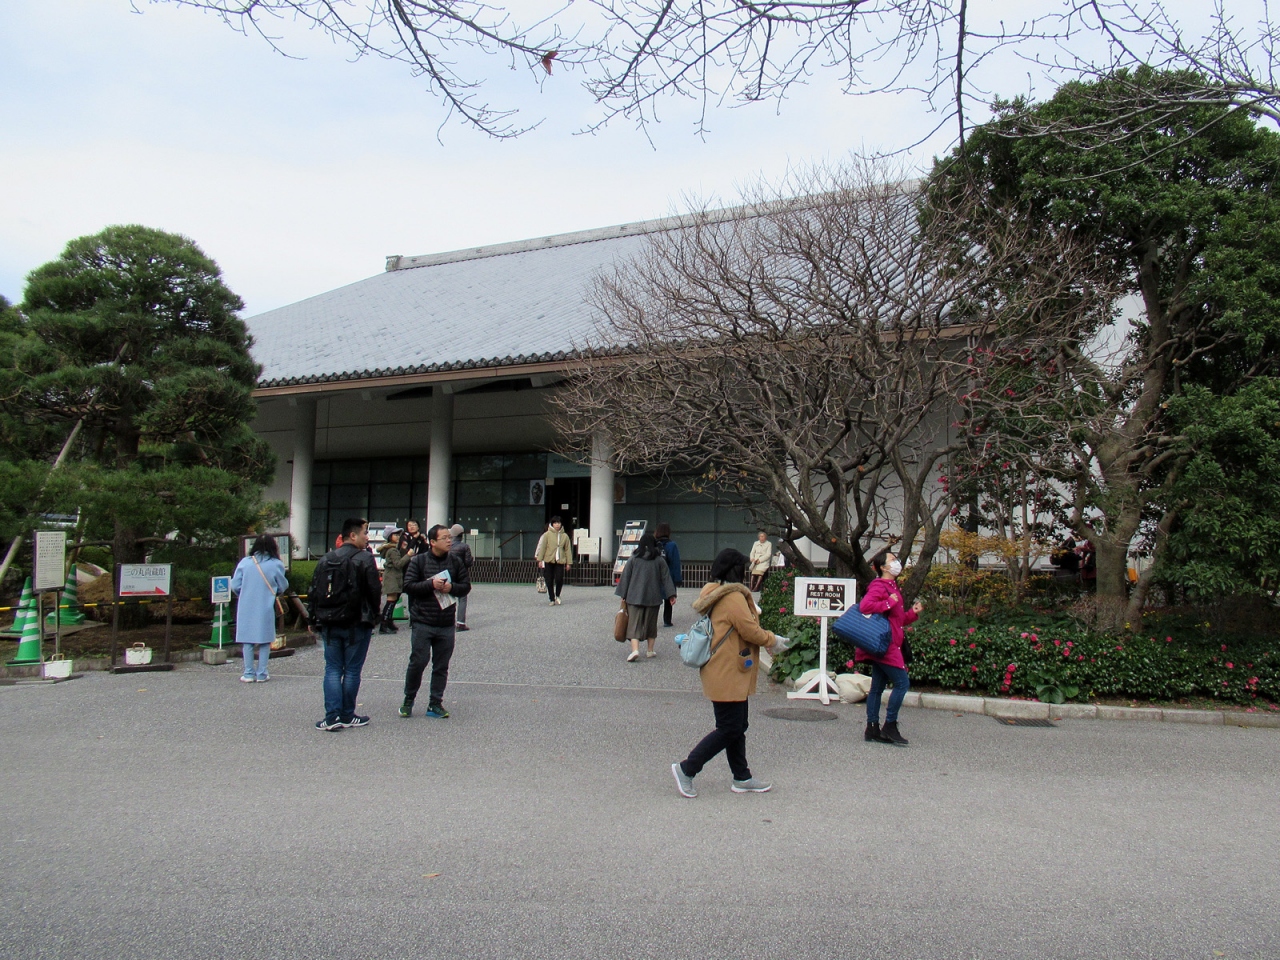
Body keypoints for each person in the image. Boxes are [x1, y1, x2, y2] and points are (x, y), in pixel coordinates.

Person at [672, 548, 787, 798]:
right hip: (727, 671)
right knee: (729, 727)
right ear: (736, 570)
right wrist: (773, 640)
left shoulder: (715, 592)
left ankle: (742, 777)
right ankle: (687, 769)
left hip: (723, 669)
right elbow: (750, 630)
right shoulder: (733, 597)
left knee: (737, 725)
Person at [308, 518, 383, 731]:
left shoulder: (327, 558)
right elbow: (374, 590)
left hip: (329, 621)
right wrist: (374, 616)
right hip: (357, 622)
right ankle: (347, 714)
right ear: (353, 535)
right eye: (365, 533)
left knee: (332, 668)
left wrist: (313, 618)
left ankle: (331, 717)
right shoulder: (365, 558)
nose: (367, 537)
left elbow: (314, 590)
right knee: (352, 670)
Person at [400, 523, 472, 719]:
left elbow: (466, 586)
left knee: (441, 666)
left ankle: (435, 702)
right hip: (423, 621)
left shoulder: (455, 561)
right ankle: (408, 699)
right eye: (444, 538)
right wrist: (430, 584)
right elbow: (408, 585)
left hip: (446, 622)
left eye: (450, 537)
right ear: (432, 542)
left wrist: (452, 588)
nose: (449, 541)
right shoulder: (419, 561)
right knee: (418, 662)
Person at [856, 548, 923, 747]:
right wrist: (887, 603)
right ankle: (889, 725)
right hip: (886, 644)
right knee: (902, 683)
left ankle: (872, 728)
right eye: (892, 560)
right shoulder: (879, 586)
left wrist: (913, 613)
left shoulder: (892, 586)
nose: (896, 563)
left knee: (877, 688)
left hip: (886, 642)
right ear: (883, 567)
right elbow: (865, 606)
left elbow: (897, 620)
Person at [230, 534, 289, 682]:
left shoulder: (245, 563)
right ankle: (262, 673)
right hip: (265, 606)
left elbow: (235, 585)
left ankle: (248, 673)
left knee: (247, 640)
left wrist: (245, 593)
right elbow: (283, 585)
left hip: (246, 606)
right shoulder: (276, 564)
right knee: (265, 640)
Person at [615, 532, 677, 662]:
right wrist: (671, 594)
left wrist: (623, 594)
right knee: (651, 624)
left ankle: (635, 650)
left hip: (634, 596)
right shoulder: (659, 560)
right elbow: (666, 578)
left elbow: (626, 577)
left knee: (634, 624)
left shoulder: (633, 559)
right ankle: (650, 650)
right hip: (653, 597)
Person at [377, 524, 412, 634]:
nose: (398, 537)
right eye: (395, 535)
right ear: (390, 536)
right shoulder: (392, 550)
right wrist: (408, 555)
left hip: (392, 577)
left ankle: (388, 623)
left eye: (398, 535)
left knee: (393, 600)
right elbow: (398, 564)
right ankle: (384, 624)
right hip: (392, 578)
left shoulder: (391, 548)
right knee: (391, 601)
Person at [534, 516, 573, 606]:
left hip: (560, 560)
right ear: (552, 524)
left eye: (558, 523)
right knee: (549, 579)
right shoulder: (547, 535)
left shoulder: (565, 536)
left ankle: (557, 595)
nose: (557, 525)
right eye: (555, 523)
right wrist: (540, 560)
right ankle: (551, 598)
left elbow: (568, 550)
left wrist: (569, 563)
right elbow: (543, 547)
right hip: (548, 559)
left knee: (559, 579)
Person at [654, 522, 682, 627]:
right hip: (668, 575)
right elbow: (675, 563)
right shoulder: (672, 545)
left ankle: (652, 620)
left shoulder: (653, 544)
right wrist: (677, 579)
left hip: (655, 575)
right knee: (668, 598)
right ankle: (667, 620)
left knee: (654, 599)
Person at [448, 523, 475, 631]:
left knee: (449, 597)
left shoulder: (448, 545)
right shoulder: (465, 547)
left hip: (449, 574)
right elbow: (468, 562)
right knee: (462, 598)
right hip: (462, 575)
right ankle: (460, 623)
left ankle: (448, 621)